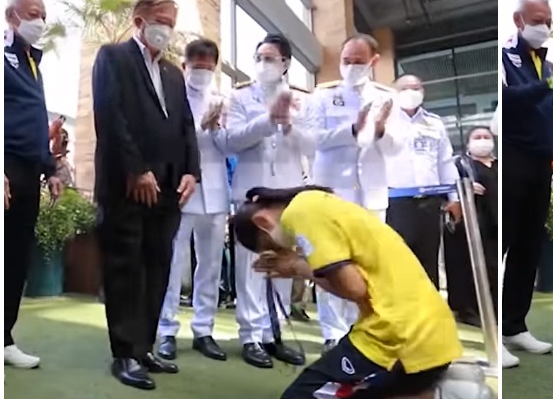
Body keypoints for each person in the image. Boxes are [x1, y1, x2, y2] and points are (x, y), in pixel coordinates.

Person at [231, 186, 464, 399]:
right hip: (430, 333)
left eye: (270, 247)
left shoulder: (302, 213)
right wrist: (298, 265)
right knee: (355, 393)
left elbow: (354, 288)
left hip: (397, 337)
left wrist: (296, 265)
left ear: (263, 223)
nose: (284, 249)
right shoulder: (320, 201)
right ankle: (432, 396)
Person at [91, 0, 200, 389]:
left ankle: (144, 347)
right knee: (126, 269)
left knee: (158, 268)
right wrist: (135, 170)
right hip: (127, 187)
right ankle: (124, 353)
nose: (166, 28)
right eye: (159, 19)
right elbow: (109, 114)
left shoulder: (173, 72)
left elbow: (186, 125)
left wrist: (193, 171)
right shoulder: (113, 58)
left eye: (171, 21)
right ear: (139, 20)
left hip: (169, 189)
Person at [306, 33, 402, 351]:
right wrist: (352, 130)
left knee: (368, 263)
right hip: (333, 190)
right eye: (346, 61)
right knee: (331, 261)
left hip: (371, 193)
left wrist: (379, 130)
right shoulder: (323, 96)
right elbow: (313, 139)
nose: (351, 67)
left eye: (358, 62)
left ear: (373, 61)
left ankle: (363, 328)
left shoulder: (388, 97)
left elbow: (397, 147)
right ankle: (333, 332)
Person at [500, 0, 553, 368]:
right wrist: (551, 83)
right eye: (536, 19)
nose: (543, 26)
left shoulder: (546, 63)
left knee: (529, 245)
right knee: (503, 241)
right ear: (518, 20)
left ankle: (514, 325)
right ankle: (492, 328)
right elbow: (511, 101)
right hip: (512, 160)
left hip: (540, 163)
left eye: (548, 19)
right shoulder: (503, 58)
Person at [226, 33, 310, 369]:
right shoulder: (239, 98)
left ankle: (275, 334)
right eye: (259, 57)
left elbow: (313, 146)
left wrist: (289, 125)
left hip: (288, 194)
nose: (264, 63)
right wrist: (267, 120)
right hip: (252, 192)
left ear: (286, 63)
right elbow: (232, 140)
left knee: (284, 264)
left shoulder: (303, 101)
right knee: (251, 268)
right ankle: (251, 336)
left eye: (271, 58)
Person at [156, 39, 231, 362]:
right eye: (196, 64)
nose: (202, 70)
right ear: (185, 65)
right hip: (180, 188)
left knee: (211, 265)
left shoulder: (223, 102)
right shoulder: (170, 95)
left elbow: (232, 147)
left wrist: (216, 130)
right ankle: (165, 330)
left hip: (215, 192)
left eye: (207, 65)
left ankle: (204, 329)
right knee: (173, 263)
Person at [4, 0, 64, 369]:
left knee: (15, 258)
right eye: (32, 13)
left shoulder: (32, 61)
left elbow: (32, 123)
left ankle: (4, 336)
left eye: (43, 14)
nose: (39, 20)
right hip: (5, 168)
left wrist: (52, 167)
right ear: (11, 16)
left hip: (28, 171)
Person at [386, 74, 462, 288]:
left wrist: (454, 198)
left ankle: (430, 314)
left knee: (429, 259)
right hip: (396, 203)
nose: (411, 92)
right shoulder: (385, 122)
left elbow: (445, 162)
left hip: (430, 202)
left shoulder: (434, 123)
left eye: (416, 87)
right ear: (395, 92)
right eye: (405, 88)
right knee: (398, 260)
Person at [444, 126, 500, 326]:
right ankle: (468, 310)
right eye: (477, 137)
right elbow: (448, 188)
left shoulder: (499, 164)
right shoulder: (461, 164)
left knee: (493, 267)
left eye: (486, 136)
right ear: (468, 142)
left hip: (495, 223)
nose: (482, 140)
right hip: (471, 222)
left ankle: (494, 309)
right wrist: (464, 187)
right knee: (469, 267)